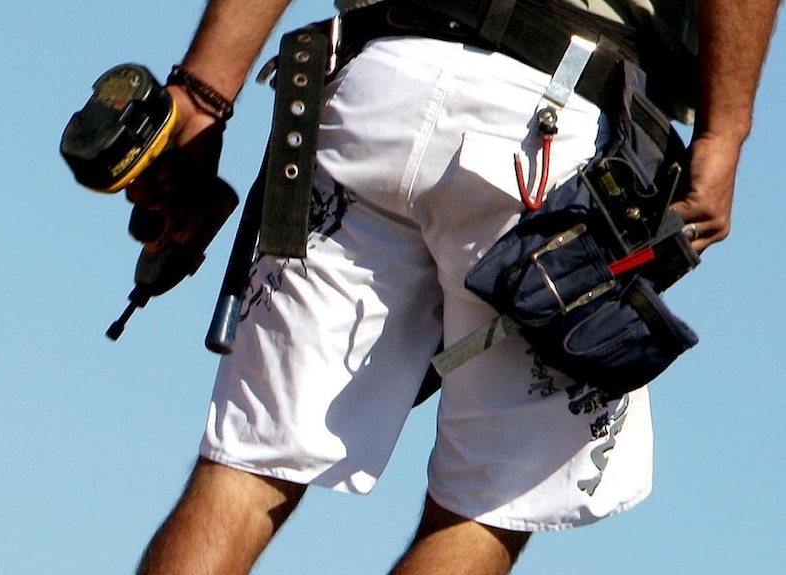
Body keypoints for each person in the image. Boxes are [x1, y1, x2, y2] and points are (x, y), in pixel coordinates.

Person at [133, 1, 781, 573]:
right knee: (482, 509)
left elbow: (203, 92)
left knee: (243, 473)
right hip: (555, 118)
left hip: (377, 81)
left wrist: (202, 92)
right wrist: (725, 133)